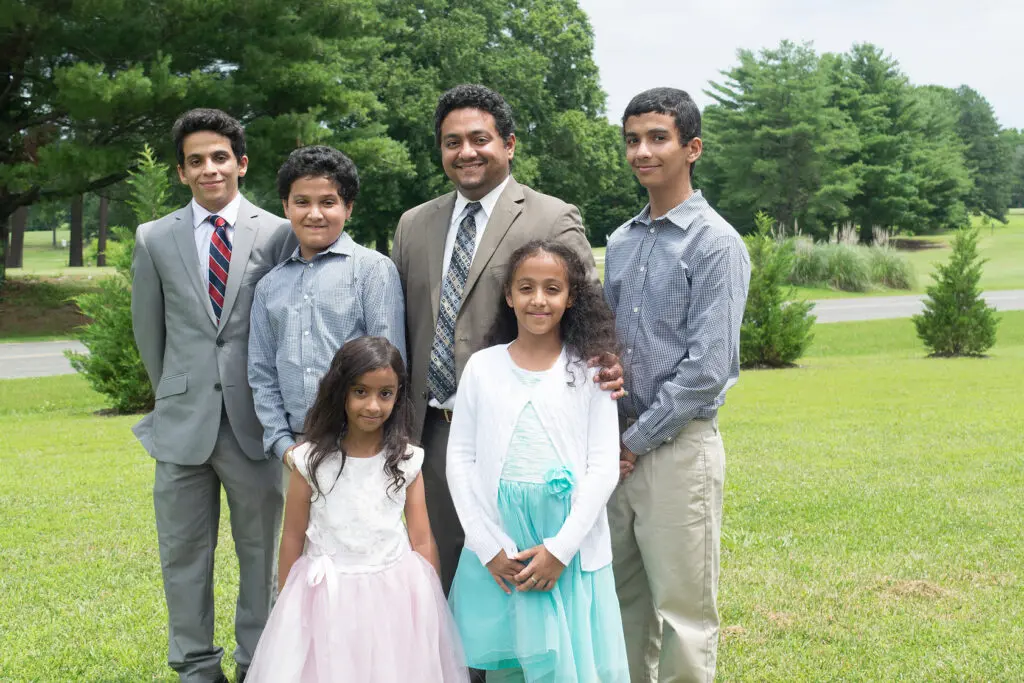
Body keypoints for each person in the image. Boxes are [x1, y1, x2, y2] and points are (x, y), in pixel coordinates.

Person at [391, 83, 618, 595]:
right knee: (436, 577)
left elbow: (588, 312)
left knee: (508, 574)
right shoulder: (413, 225)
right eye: (452, 142)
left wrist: (608, 367)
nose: (465, 152)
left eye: (479, 139)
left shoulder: (551, 216)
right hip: (425, 432)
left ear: (509, 144)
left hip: (515, 432)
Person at [131, 108, 296, 683]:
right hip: (181, 425)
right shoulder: (153, 238)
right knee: (182, 555)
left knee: (262, 555)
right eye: (196, 160)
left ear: (241, 164)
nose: (209, 169)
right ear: (181, 172)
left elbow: (281, 325)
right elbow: (149, 333)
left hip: (254, 425)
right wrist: (176, 391)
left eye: (219, 157)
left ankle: (259, 663)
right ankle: (196, 667)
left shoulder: (278, 233)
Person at [604, 88, 751, 683]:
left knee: (684, 614)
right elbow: (609, 342)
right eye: (633, 140)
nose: (643, 151)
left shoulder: (715, 243)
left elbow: (707, 370)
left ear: (692, 148)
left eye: (657, 138)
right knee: (619, 606)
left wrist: (634, 441)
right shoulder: (621, 241)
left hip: (674, 451)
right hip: (615, 453)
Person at [447, 240, 629, 682]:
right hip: (501, 552)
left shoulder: (589, 371)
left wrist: (560, 550)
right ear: (509, 295)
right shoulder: (482, 367)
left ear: (570, 298)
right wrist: (487, 546)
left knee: (569, 667)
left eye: (552, 288)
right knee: (510, 666)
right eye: (526, 288)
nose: (539, 300)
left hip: (566, 553)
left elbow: (603, 466)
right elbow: (460, 459)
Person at [246, 337, 468, 682]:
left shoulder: (407, 461)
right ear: (340, 392)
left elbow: (422, 538)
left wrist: (430, 601)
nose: (373, 406)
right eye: (360, 392)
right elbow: (291, 536)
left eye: (385, 394)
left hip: (393, 595)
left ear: (398, 395)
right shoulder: (309, 461)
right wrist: (287, 603)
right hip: (325, 599)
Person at [248, 145, 405, 469]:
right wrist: (282, 445)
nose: (315, 214)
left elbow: (391, 367)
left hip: (363, 448)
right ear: (286, 207)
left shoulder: (372, 271)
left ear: (348, 208)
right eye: (302, 202)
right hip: (297, 450)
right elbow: (262, 373)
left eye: (328, 202)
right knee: (298, 523)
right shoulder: (268, 287)